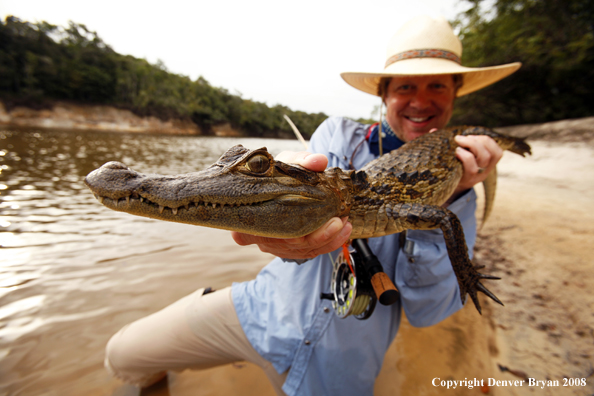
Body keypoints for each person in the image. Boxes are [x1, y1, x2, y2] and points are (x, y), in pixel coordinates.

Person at [104, 15, 521, 396]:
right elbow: (305, 184)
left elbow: (430, 311)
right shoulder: (336, 135)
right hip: (264, 310)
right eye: (406, 86)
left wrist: (460, 189)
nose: (420, 100)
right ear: (384, 93)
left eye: (437, 86)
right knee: (121, 355)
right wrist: (283, 242)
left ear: (455, 93)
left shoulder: (463, 177)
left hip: (341, 364)